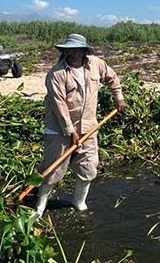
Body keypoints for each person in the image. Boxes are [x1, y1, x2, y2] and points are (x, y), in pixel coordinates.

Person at [34, 33, 125, 218]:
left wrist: (119, 97)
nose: (71, 53)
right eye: (68, 50)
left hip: (88, 127)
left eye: (75, 49)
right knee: (52, 169)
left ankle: (79, 202)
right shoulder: (56, 74)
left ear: (84, 51)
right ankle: (40, 206)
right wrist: (71, 131)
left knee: (88, 166)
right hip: (59, 129)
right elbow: (60, 106)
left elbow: (112, 78)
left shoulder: (96, 64)